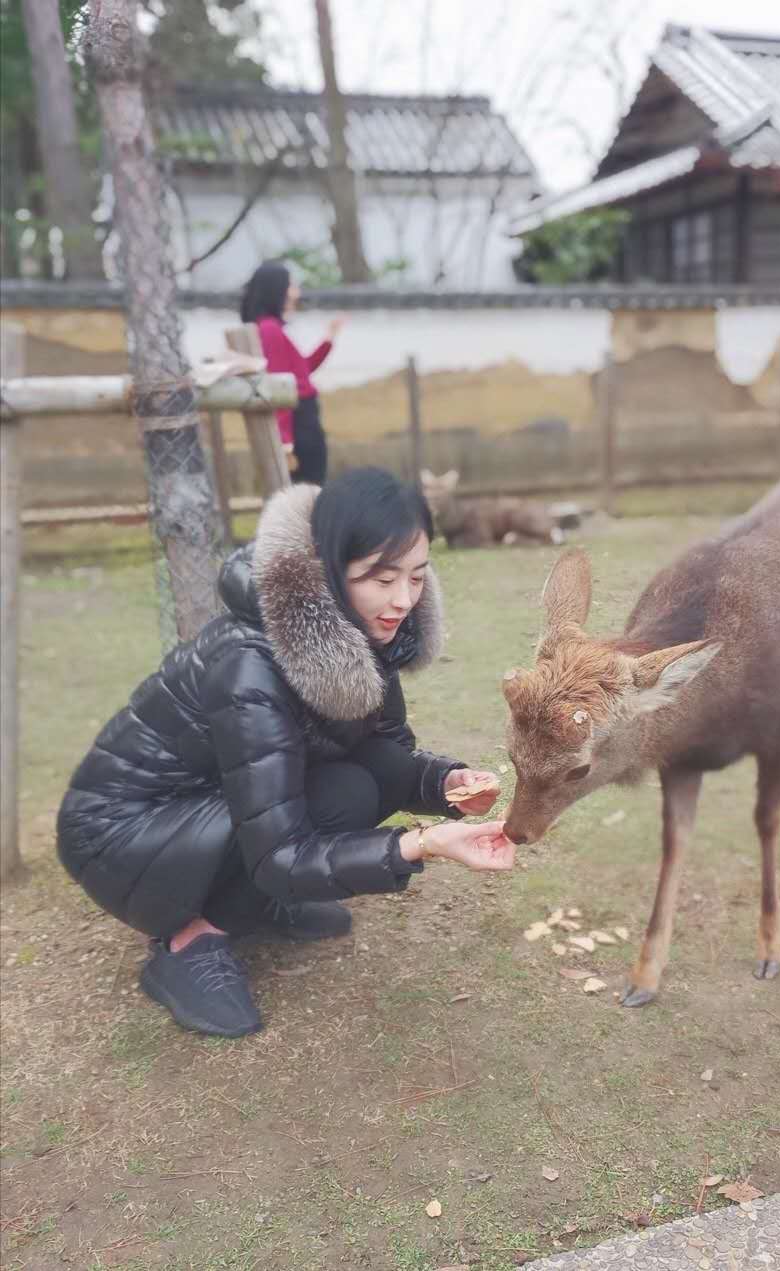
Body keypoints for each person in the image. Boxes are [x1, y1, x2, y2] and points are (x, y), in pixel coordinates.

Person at [56, 468, 514, 1038]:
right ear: (326, 567)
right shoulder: (251, 663)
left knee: (357, 781)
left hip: (205, 808)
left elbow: (387, 755)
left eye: (417, 578)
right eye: (380, 576)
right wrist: (422, 844)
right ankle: (190, 942)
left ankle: (256, 904)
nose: (402, 600)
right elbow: (281, 853)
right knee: (341, 795)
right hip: (120, 833)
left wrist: (443, 786)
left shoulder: (361, 631)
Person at [239, 261, 341, 485]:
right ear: (277, 290)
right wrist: (286, 442)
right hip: (300, 421)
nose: (296, 292)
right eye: (291, 285)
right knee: (309, 488)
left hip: (301, 418)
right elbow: (279, 387)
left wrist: (329, 338)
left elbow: (301, 370)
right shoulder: (270, 330)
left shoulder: (269, 328)